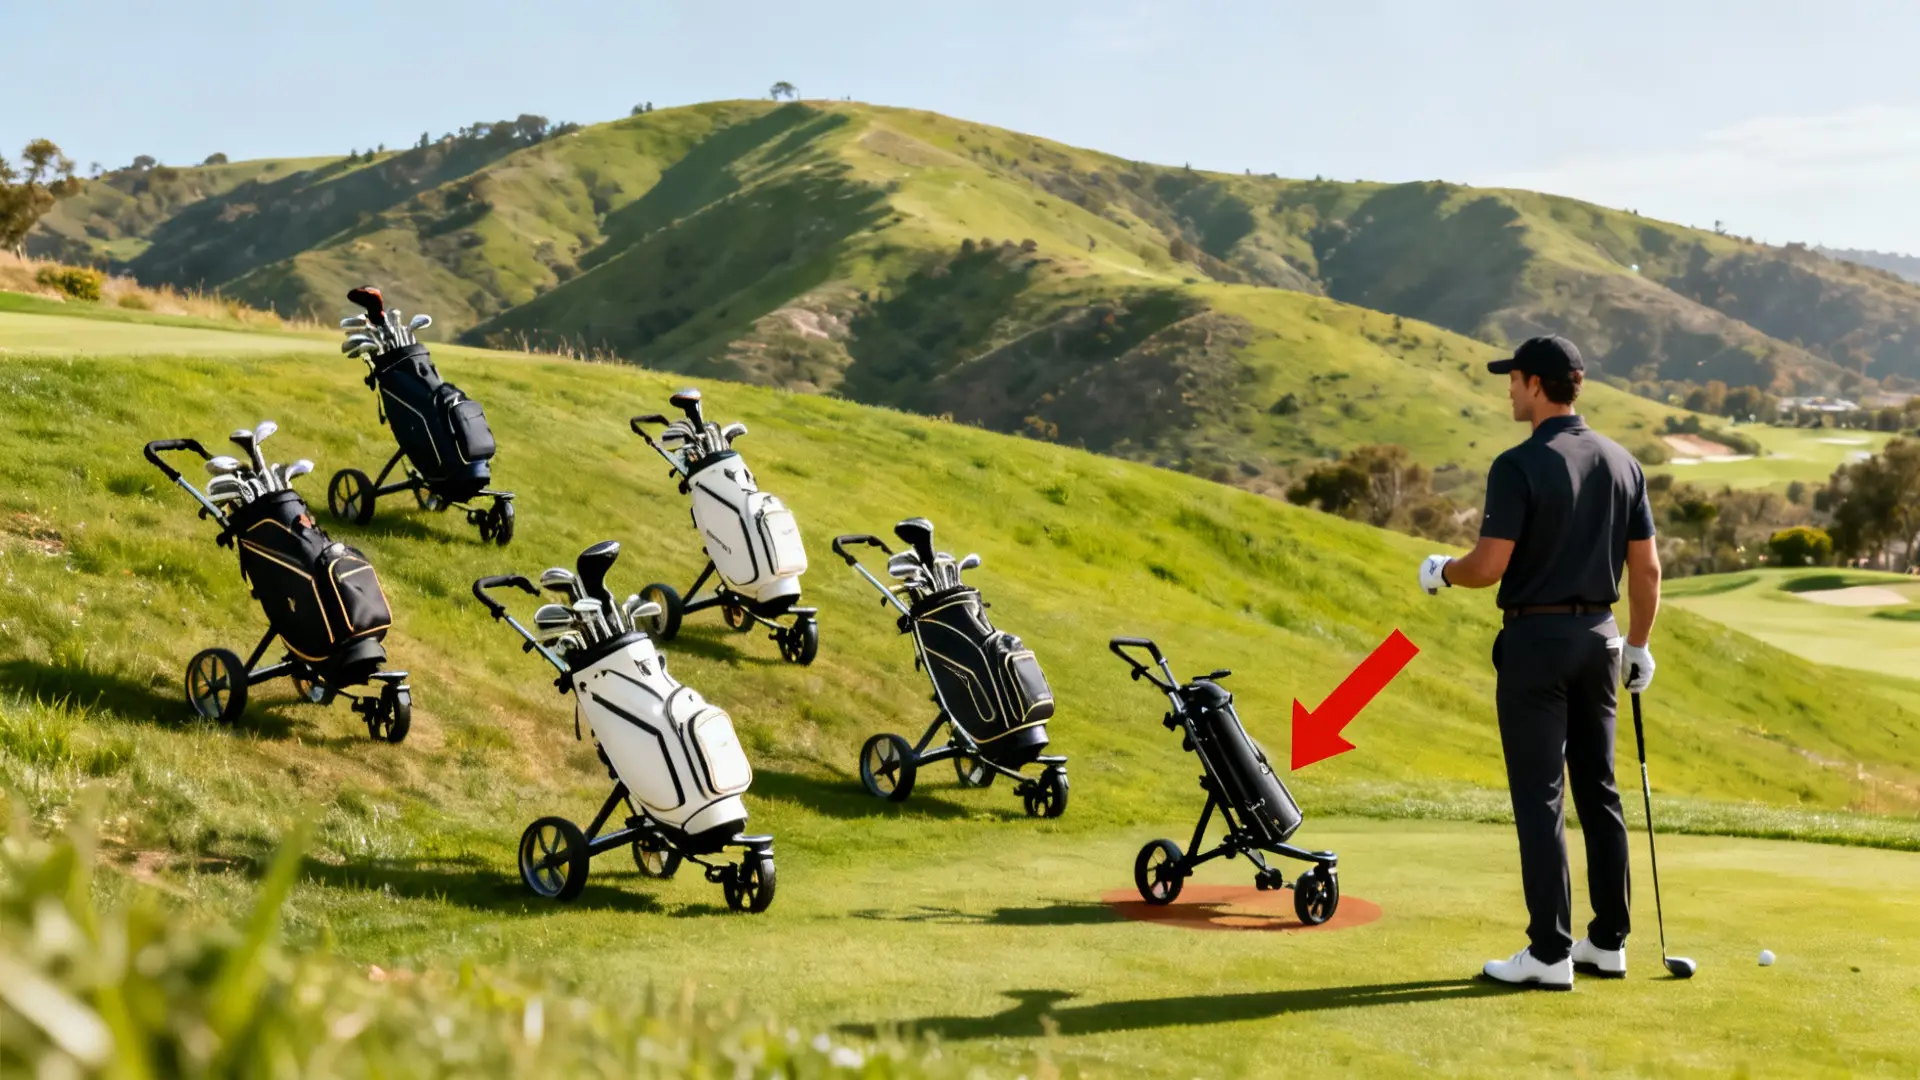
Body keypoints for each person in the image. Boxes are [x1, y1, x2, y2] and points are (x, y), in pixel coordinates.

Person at [1418, 335, 1662, 990]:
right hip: (1601, 639)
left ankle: (1550, 952)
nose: (1508, 388)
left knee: (1540, 795)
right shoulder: (1624, 463)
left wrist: (1442, 571)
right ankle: (1607, 942)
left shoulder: (1518, 464)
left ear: (1535, 384)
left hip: (1537, 643)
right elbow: (1647, 570)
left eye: (1514, 378)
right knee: (1599, 790)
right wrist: (1638, 644)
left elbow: (1488, 565)